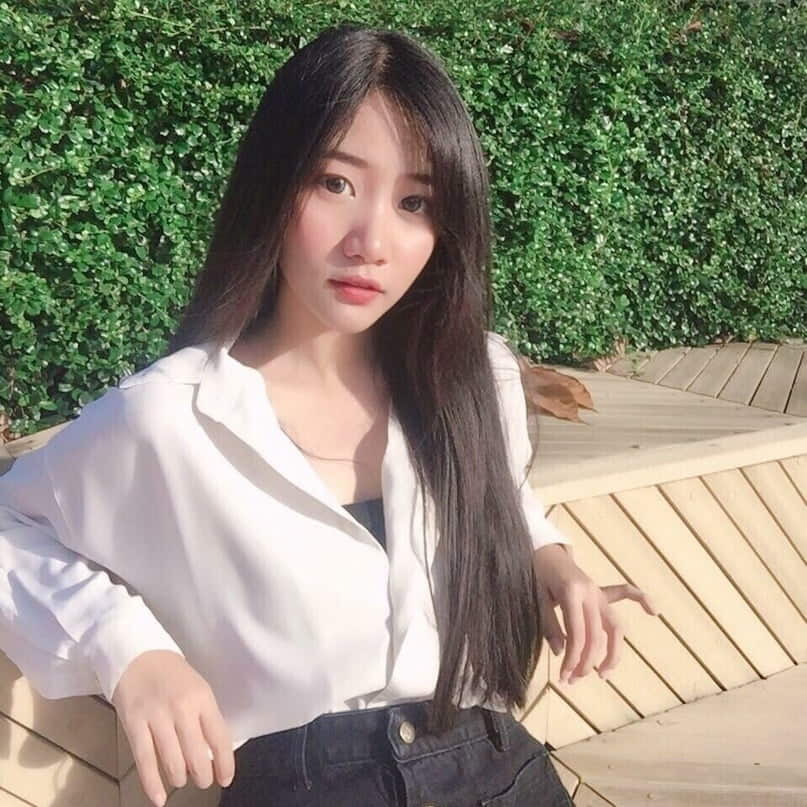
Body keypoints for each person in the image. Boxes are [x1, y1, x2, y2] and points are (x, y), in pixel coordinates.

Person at [0, 23, 656, 807]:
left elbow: (497, 489)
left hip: (500, 766)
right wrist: (129, 650)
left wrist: (551, 559)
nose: (371, 241)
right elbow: (11, 523)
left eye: (414, 202)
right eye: (335, 183)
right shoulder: (167, 418)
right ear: (273, 186)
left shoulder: (473, 376)